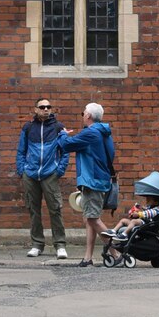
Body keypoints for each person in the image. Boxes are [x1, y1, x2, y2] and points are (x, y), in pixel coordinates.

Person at [56, 102, 115, 267]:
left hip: (93, 181)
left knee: (93, 218)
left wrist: (62, 134)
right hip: (94, 180)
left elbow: (66, 145)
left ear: (88, 115)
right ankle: (88, 257)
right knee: (89, 219)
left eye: (83, 113)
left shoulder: (91, 133)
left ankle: (117, 252)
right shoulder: (103, 132)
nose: (82, 115)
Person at [16, 98, 70, 260]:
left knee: (55, 209)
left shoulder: (58, 128)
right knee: (34, 210)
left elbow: (65, 151)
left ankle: (60, 245)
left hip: (50, 174)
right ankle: (37, 244)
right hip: (30, 174)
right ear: (36, 109)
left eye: (48, 107)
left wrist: (59, 171)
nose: (46, 109)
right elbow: (21, 151)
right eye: (42, 107)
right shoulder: (28, 128)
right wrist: (22, 170)